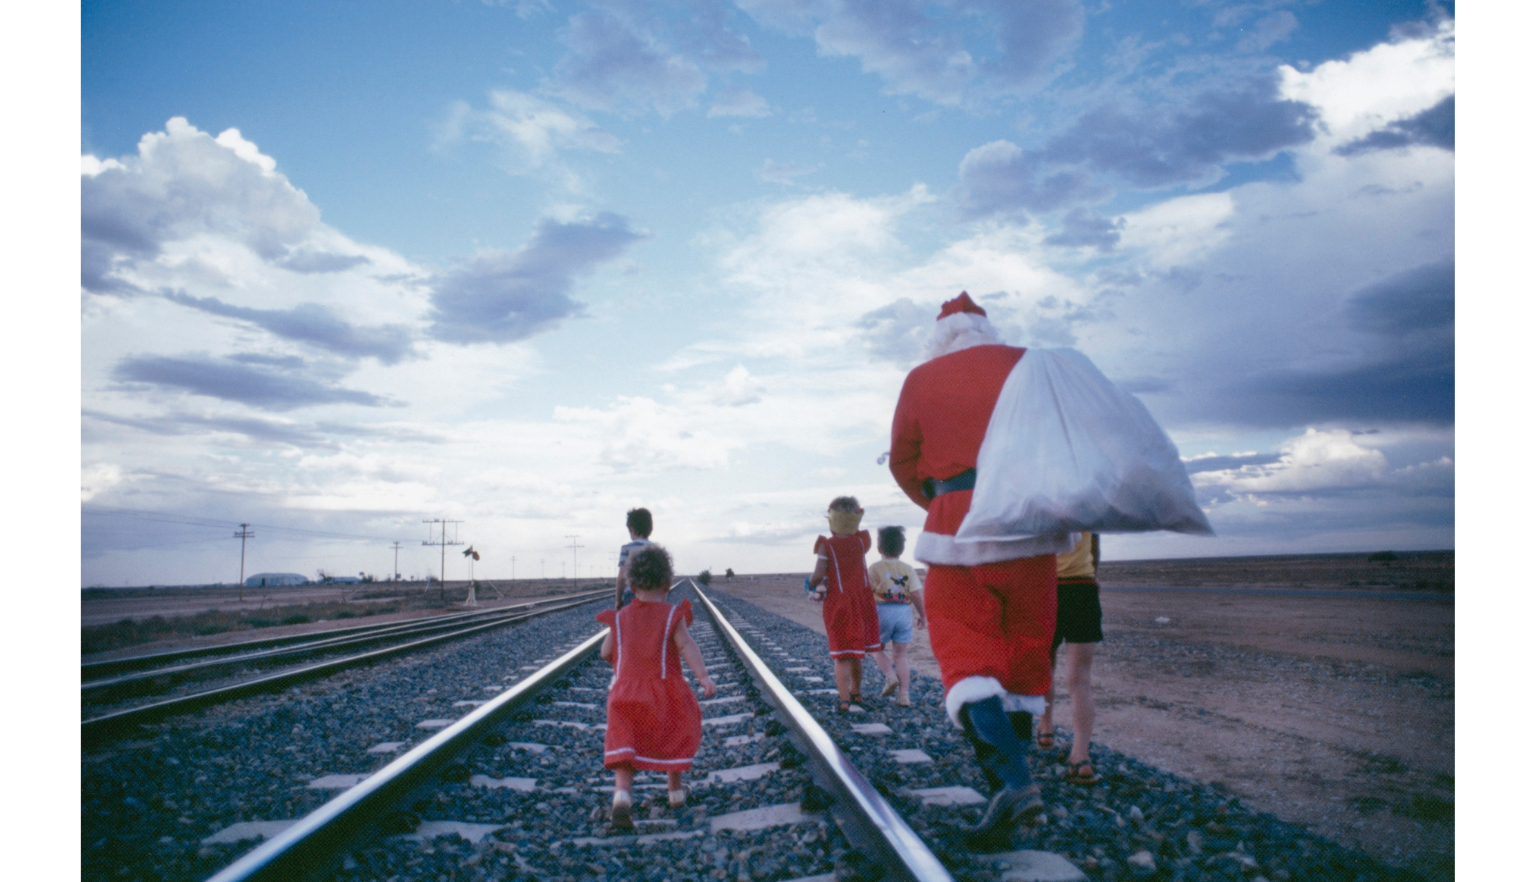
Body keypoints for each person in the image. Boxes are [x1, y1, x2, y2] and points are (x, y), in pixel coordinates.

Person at [888, 292, 1077, 848]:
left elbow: (903, 460)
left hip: (960, 525)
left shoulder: (922, 378)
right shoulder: (1025, 364)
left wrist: (940, 500)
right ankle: (1019, 785)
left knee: (965, 649)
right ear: (987, 331)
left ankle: (1012, 781)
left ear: (941, 339)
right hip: (1033, 528)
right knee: (1026, 647)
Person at [595, 544, 717, 829]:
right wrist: (703, 676)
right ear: (667, 583)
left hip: (624, 694)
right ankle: (675, 792)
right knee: (675, 734)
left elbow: (605, 652)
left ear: (632, 584)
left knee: (625, 748)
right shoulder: (671, 615)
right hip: (664, 691)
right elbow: (686, 645)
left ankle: (622, 798)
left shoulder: (621, 617)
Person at [1038, 531, 1104, 784]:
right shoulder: (1087, 502)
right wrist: (1093, 573)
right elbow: (1095, 545)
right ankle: (1080, 756)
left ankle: (1046, 729)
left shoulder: (1043, 501)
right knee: (1080, 679)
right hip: (1083, 589)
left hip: (1047, 589)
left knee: (1046, 667)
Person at [807, 496, 883, 712]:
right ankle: (856, 692)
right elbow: (857, 531)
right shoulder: (861, 542)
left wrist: (811, 584)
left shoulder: (826, 545)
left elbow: (817, 576)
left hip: (838, 603)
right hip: (861, 602)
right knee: (856, 651)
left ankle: (843, 699)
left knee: (841, 655)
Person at [867, 526, 927, 707]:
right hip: (903, 612)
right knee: (901, 656)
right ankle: (904, 696)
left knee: (876, 648)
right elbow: (916, 594)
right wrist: (922, 615)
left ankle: (890, 676)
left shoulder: (875, 568)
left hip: (882, 611)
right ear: (902, 549)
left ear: (879, 549)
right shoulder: (908, 568)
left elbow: (867, 592)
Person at [614, 507, 654, 609]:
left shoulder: (627, 549)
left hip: (632, 596)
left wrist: (618, 600)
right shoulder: (656, 549)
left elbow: (622, 577)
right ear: (650, 529)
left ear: (632, 529)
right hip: (653, 596)